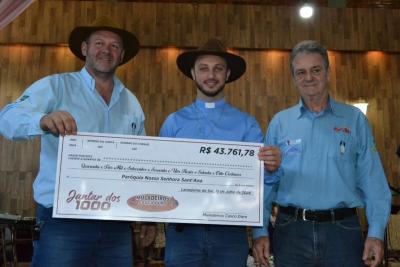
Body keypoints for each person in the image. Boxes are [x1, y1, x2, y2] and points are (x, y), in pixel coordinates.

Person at [0, 17, 145, 266]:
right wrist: (42, 119)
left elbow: (140, 161)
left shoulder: (131, 102)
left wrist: (145, 216)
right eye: (99, 43)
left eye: (114, 46)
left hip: (116, 222)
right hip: (62, 220)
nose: (106, 50)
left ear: (122, 55)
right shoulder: (56, 86)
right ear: (85, 49)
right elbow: (8, 118)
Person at [255, 40, 391, 267]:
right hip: (291, 232)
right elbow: (266, 182)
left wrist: (376, 232)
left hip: (343, 233)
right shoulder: (280, 123)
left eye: (315, 70)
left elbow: (372, 179)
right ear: (294, 78)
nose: (309, 78)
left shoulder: (355, 120)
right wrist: (260, 230)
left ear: (328, 72)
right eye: (301, 72)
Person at [159, 38, 281, 267]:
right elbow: (160, 177)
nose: (211, 75)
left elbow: (261, 183)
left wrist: (272, 170)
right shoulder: (173, 124)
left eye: (218, 69)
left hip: (230, 234)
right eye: (203, 69)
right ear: (193, 74)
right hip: (183, 233)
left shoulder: (247, 125)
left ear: (227, 74)